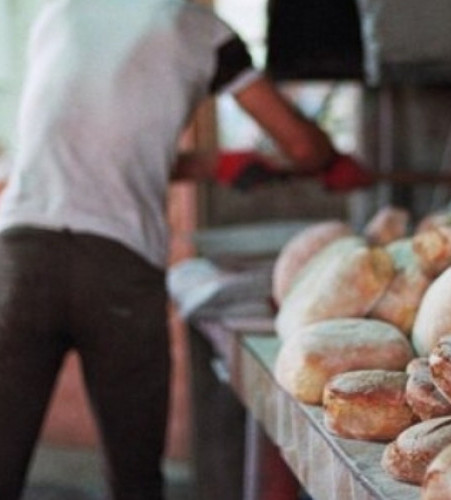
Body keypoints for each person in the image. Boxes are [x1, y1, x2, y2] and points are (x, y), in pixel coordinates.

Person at [0, 0, 366, 498]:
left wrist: (218, 164)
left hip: (18, 259)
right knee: (135, 482)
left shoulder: (57, 11)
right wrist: (330, 159)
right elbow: (303, 148)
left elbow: (100, 150)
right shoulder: (199, 29)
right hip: (118, 271)